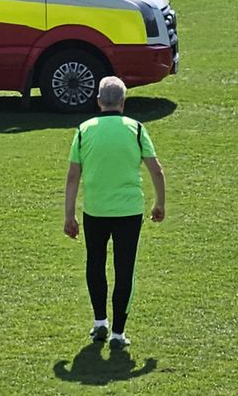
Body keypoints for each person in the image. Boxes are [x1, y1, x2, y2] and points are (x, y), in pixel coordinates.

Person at [63, 77, 166, 349]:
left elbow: (73, 176)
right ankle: (119, 333)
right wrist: (160, 203)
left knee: (95, 264)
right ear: (123, 101)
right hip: (128, 211)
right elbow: (156, 169)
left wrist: (69, 215)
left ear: (98, 101)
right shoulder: (136, 129)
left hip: (95, 210)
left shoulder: (84, 130)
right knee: (124, 269)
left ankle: (100, 322)